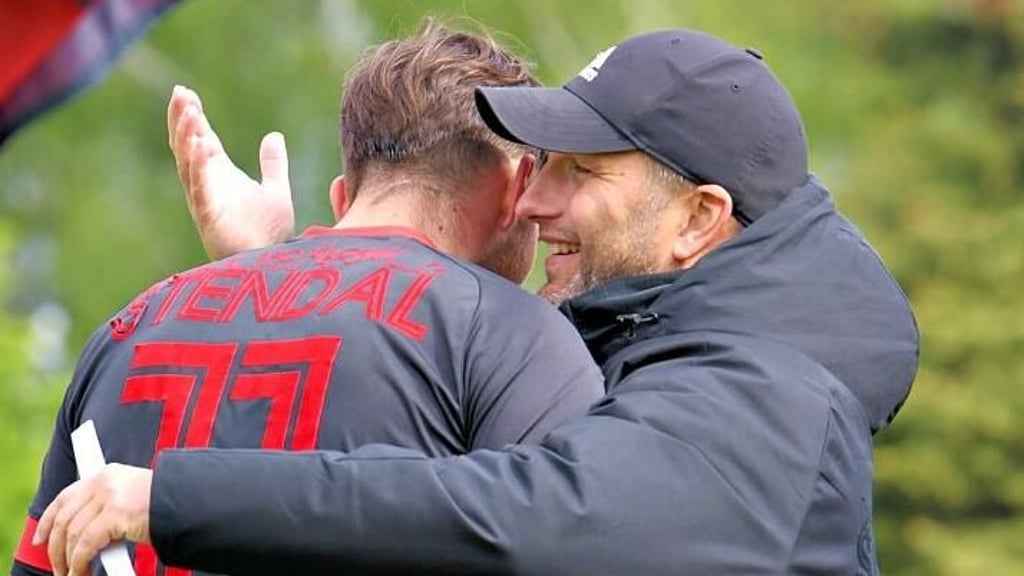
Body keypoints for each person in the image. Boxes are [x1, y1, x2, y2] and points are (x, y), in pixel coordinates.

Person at [34, 28, 919, 575]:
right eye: (538, 168)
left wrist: (177, 497)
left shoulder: (765, 392)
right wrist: (279, 283)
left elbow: (530, 518)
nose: (534, 203)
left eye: (582, 172)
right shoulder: (651, 344)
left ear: (698, 218)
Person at [12, 22, 606, 576]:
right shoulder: (513, 336)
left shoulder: (130, 327)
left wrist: (263, 261)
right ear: (515, 188)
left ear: (344, 195)